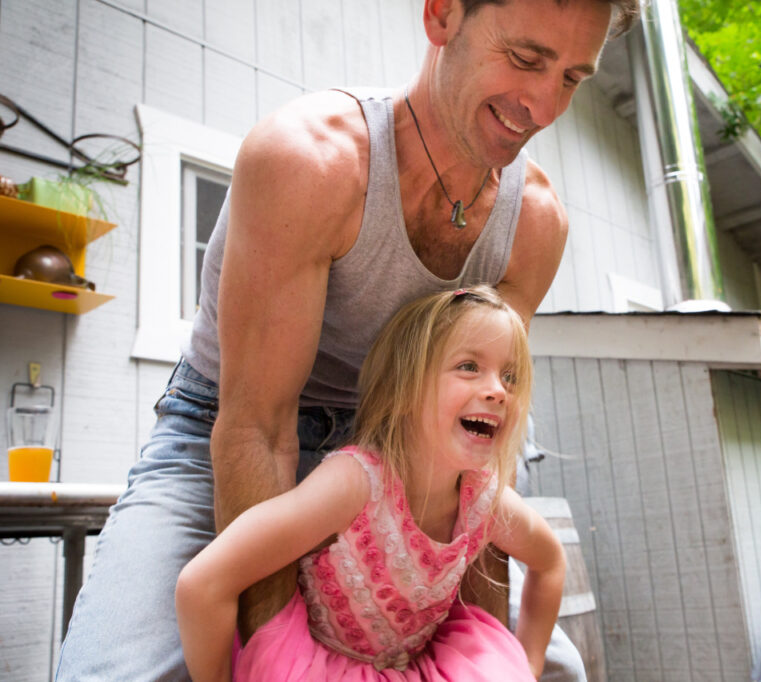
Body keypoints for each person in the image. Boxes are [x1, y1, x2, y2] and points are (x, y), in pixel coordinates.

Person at [57, 1, 639, 679]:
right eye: (525, 59)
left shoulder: (536, 224)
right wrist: (278, 655)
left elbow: (478, 446)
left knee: (551, 673)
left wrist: (484, 649)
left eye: (572, 78)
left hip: (409, 458)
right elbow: (258, 428)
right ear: (443, 15)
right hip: (233, 432)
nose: (543, 105)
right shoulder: (310, 161)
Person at [177, 286, 565, 681]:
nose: (499, 391)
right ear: (405, 390)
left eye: (511, 376)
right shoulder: (356, 483)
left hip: (420, 667)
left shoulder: (484, 498)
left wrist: (527, 665)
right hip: (318, 666)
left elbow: (550, 562)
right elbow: (202, 583)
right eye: (468, 366)